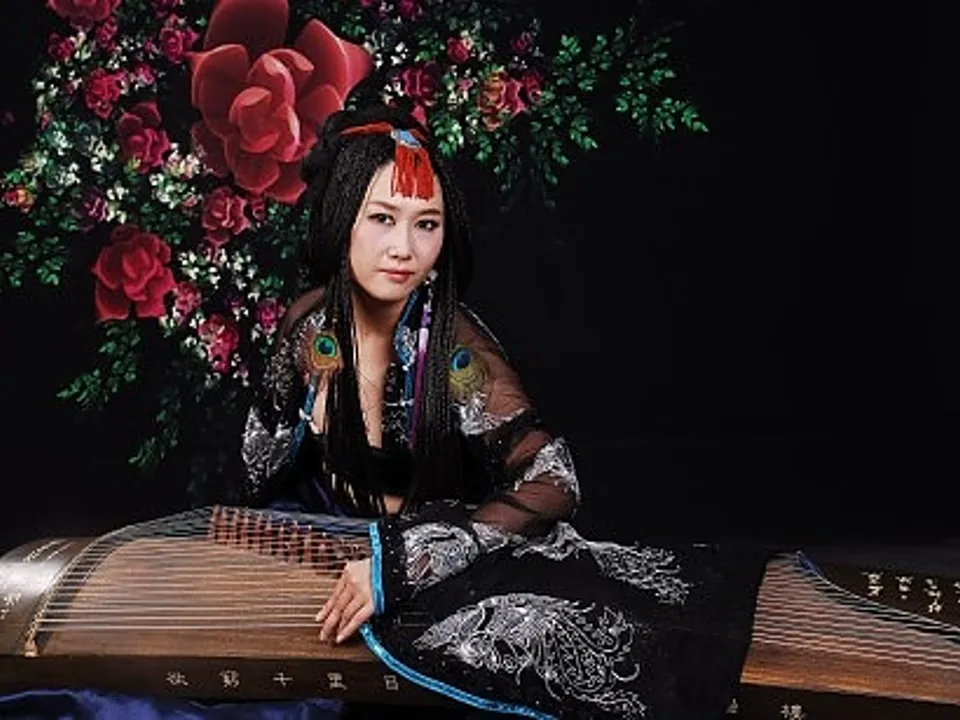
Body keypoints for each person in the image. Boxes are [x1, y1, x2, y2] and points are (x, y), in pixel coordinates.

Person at [236, 103, 770, 719]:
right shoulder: (308, 328)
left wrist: (407, 562)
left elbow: (555, 477)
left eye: (426, 224)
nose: (405, 248)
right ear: (340, 219)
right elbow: (262, 468)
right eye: (382, 218)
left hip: (429, 572)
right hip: (325, 559)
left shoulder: (453, 346)